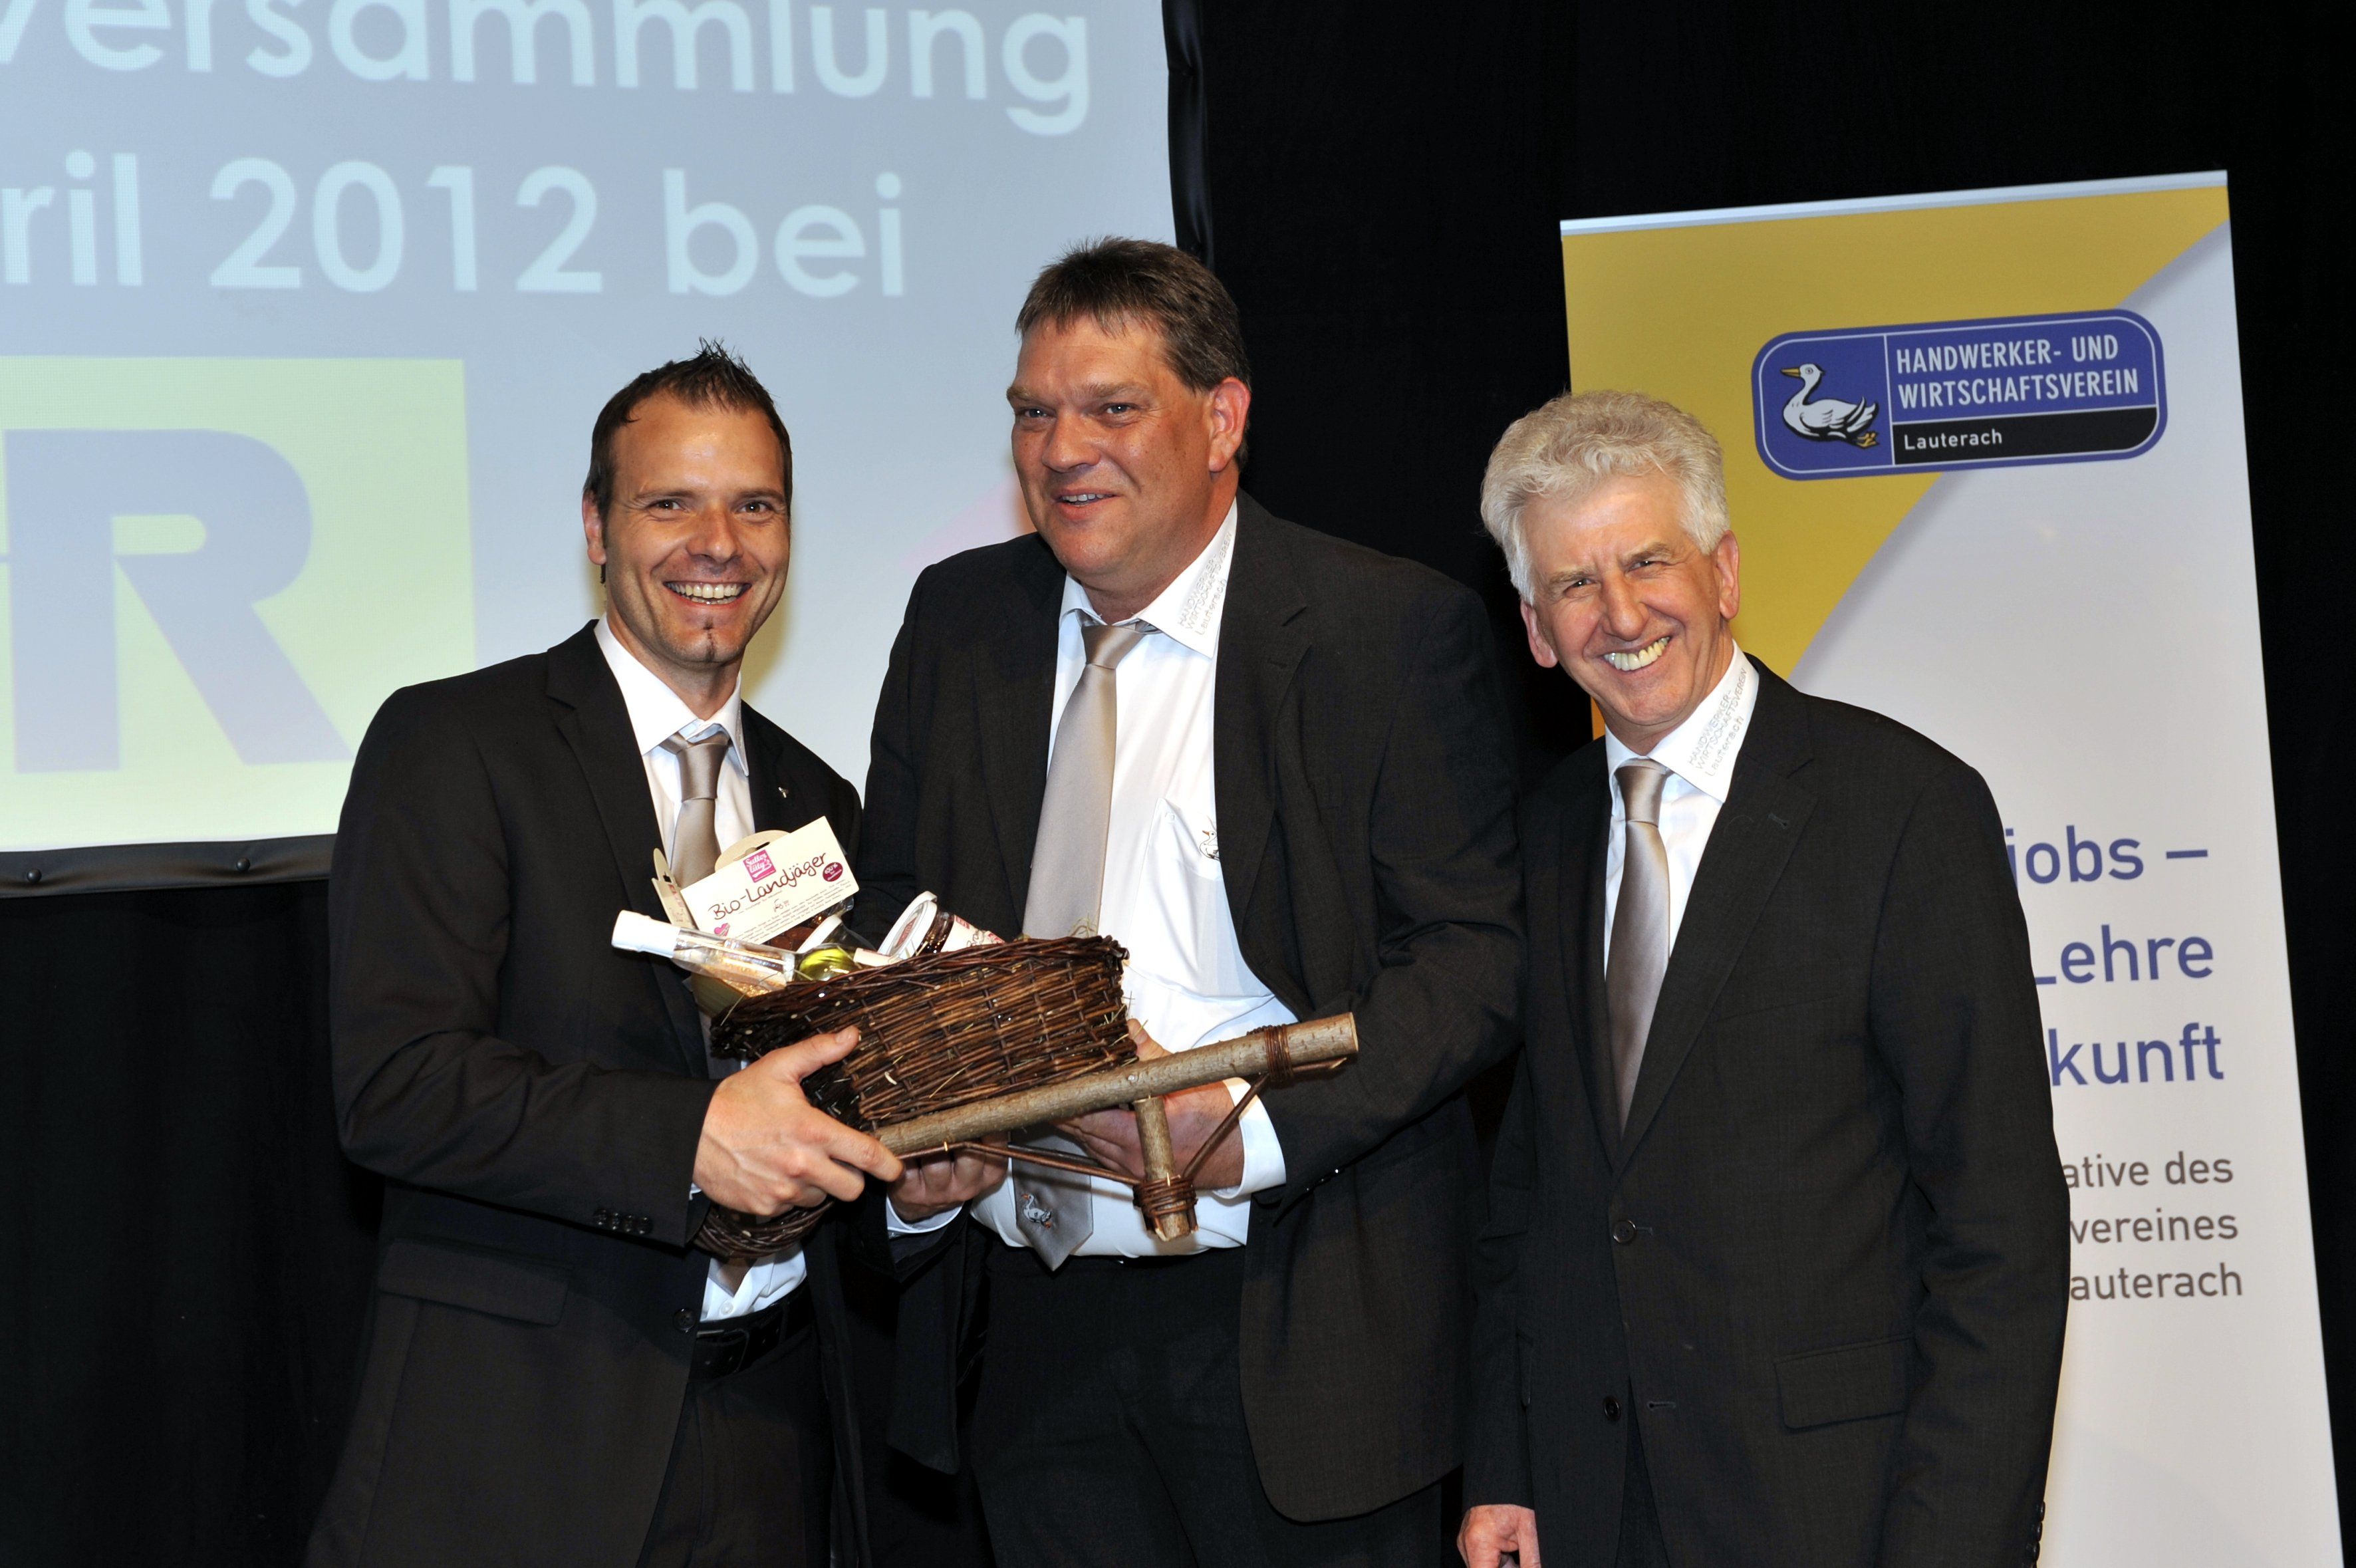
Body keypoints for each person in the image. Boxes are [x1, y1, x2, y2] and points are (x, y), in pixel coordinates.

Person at [859, 237, 1523, 1566]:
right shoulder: (957, 620)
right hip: (1028, 1336)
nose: (1061, 451)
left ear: (1222, 420)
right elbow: (891, 908)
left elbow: (1471, 961)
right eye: (1033, 413)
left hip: (1295, 1319)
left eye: (1111, 408)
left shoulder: (1383, 631)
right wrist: (918, 1129)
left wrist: (1248, 1132)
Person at [310, 344, 933, 1568]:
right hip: (528, 1439)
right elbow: (396, 1085)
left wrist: (914, 1183)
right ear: (597, 527)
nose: (719, 543)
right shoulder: (456, 743)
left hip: (777, 1434)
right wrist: (687, 1138)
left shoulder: (822, 802)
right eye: (671, 503)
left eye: (755, 504)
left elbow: (820, 1107)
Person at [1458, 390, 2069, 1568]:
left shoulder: (1904, 810)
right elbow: (1527, 1194)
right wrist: (1508, 1469)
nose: (1620, 612)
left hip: (1841, 1513)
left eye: (1649, 561)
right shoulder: (1537, 838)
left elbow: (2001, 1229)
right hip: (1592, 1512)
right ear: (1534, 627)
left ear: (1725, 571)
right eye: (1575, 583)